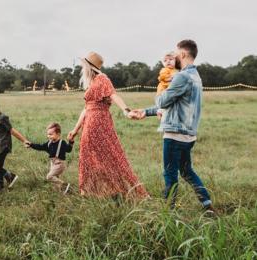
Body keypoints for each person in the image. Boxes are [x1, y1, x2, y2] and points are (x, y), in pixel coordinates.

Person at [133, 40, 215, 212]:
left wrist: (162, 88)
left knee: (170, 173)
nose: (174, 57)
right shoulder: (195, 76)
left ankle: (168, 211)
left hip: (175, 134)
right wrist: (146, 112)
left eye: (176, 54)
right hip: (188, 134)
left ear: (183, 54)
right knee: (186, 171)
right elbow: (174, 105)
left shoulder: (181, 76)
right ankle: (207, 204)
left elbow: (162, 100)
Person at [67, 52, 149, 199]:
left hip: (99, 122)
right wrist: (75, 130)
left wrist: (126, 111)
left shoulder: (102, 78)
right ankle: (91, 190)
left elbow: (113, 95)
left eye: (83, 65)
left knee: (110, 155)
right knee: (88, 157)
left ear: (89, 66)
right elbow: (86, 108)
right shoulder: (92, 82)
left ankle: (117, 189)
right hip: (89, 122)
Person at [26, 122, 73, 194]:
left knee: (49, 176)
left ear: (58, 134)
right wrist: (31, 145)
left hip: (60, 164)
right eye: (48, 134)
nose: (49, 136)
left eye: (51, 134)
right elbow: (40, 147)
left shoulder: (62, 143)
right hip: (53, 163)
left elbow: (68, 150)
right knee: (56, 180)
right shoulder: (49, 143)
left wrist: (70, 142)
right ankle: (63, 192)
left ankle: (65, 185)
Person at [156, 51, 180, 119]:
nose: (168, 61)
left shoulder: (176, 70)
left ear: (176, 61)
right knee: (163, 106)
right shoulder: (164, 70)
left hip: (169, 92)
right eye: (165, 60)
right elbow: (162, 77)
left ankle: (161, 112)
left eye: (170, 59)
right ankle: (159, 111)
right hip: (162, 92)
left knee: (168, 108)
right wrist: (172, 77)